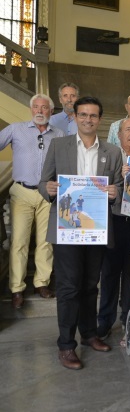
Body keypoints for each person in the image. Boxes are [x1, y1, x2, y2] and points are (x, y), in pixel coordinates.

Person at [39, 96, 123, 370]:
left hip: (96, 229)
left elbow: (119, 187)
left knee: (90, 285)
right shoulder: (59, 145)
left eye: (93, 115)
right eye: (83, 114)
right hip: (67, 230)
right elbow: (43, 182)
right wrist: (49, 189)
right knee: (68, 286)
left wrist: (114, 193)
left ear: (100, 119)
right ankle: (66, 344)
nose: (88, 119)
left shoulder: (111, 151)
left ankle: (88, 334)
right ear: (74, 116)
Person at [0, 94, 64, 308]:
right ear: (30, 109)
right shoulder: (15, 129)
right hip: (22, 192)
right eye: (36, 107)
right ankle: (17, 288)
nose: (40, 110)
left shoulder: (59, 134)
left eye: (44, 107)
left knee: (46, 241)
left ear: (50, 111)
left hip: (48, 193)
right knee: (19, 241)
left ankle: (41, 282)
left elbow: (66, 163)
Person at [97, 118, 130, 343]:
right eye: (128, 130)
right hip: (113, 220)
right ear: (119, 133)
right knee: (110, 274)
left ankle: (129, 321)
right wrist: (121, 179)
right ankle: (104, 321)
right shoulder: (110, 154)